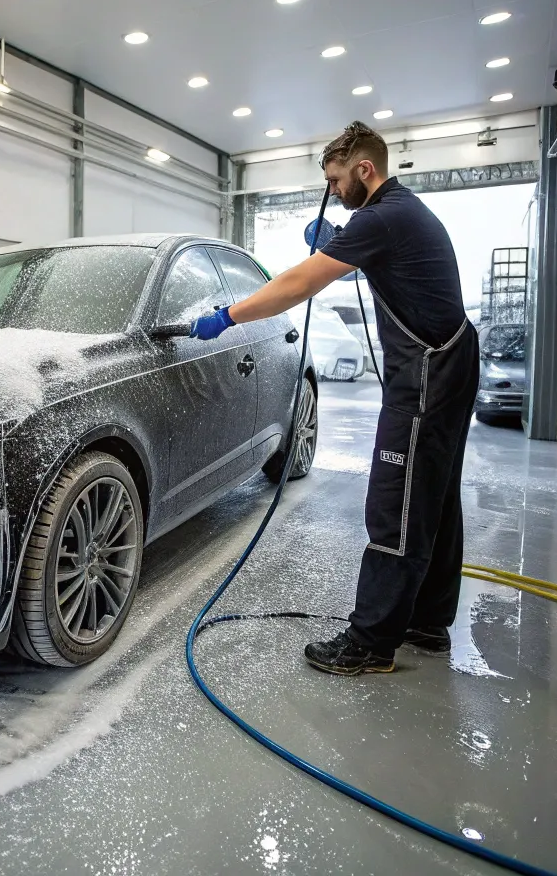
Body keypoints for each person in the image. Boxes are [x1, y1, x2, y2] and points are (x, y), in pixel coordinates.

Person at [191, 121, 478, 675]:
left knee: (396, 498)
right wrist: (344, 247)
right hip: (446, 361)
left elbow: (299, 284)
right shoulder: (396, 213)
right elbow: (392, 275)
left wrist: (226, 316)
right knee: (433, 495)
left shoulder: (384, 217)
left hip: (428, 372)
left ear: (363, 170)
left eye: (336, 179)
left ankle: (370, 642)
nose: (334, 191)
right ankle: (425, 620)